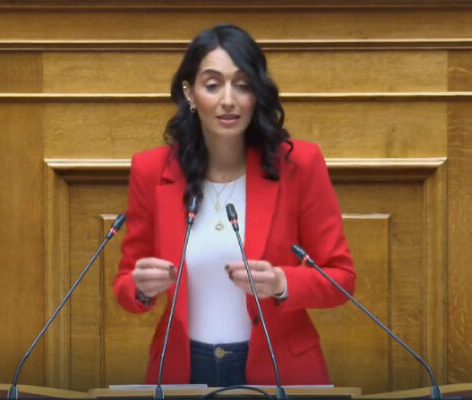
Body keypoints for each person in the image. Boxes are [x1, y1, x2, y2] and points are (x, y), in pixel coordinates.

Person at [113, 24, 355, 387]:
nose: (229, 100)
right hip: (184, 370)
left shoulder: (298, 166)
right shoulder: (152, 170)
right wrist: (141, 287)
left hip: (281, 369)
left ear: (257, 94)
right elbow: (125, 286)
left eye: (242, 85)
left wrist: (281, 282)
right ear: (189, 93)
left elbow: (342, 279)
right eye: (213, 85)